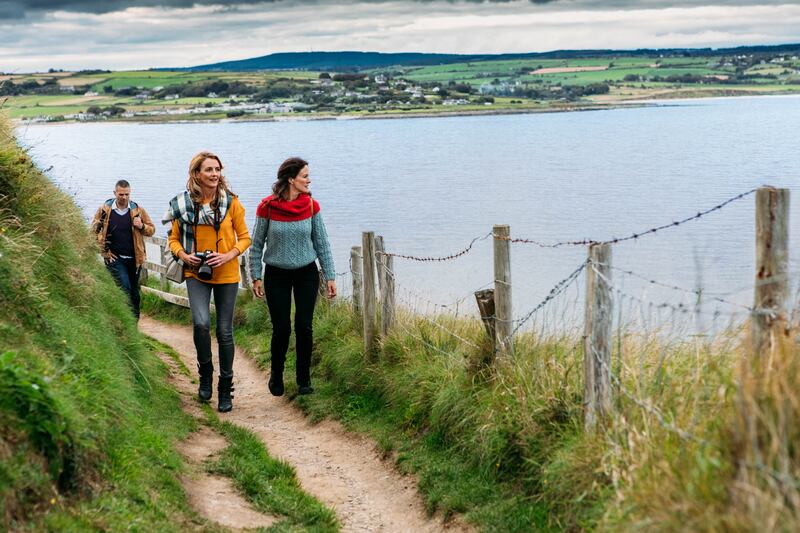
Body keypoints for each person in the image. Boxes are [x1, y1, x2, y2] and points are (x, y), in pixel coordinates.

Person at [164, 152, 251, 412]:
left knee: (225, 331)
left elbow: (245, 238)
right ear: (197, 174)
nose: (214, 174)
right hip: (195, 272)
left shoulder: (231, 203)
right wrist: (183, 255)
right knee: (201, 323)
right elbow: (173, 240)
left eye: (217, 169)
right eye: (209, 170)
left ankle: (225, 387)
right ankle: (205, 373)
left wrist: (227, 255)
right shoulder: (183, 205)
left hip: (226, 273)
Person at [249, 157, 336, 397]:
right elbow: (256, 245)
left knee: (304, 326)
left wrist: (330, 275)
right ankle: (276, 375)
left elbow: (322, 243)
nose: (309, 180)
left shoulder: (311, 206)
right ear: (291, 179)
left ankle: (303, 380)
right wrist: (255, 276)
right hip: (276, 274)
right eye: (305, 176)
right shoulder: (266, 207)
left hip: (306, 273)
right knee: (282, 328)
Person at [92, 179, 155, 320]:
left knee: (134, 294)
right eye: (121, 194)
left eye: (127, 194)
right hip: (115, 258)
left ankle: (133, 327)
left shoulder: (137, 210)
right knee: (124, 288)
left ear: (130, 193)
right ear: (115, 193)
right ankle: (123, 321)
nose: (124, 197)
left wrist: (141, 226)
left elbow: (151, 230)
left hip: (135, 260)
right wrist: (104, 252)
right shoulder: (105, 210)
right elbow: (93, 232)